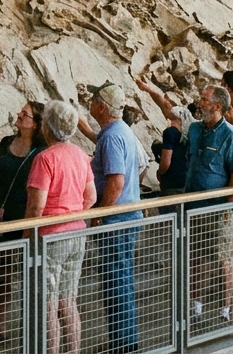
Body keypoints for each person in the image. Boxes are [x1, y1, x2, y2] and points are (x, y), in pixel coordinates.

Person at [25, 101, 96, 354]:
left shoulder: (45, 158)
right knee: (68, 301)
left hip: (51, 237)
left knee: (48, 303)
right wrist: (74, 215)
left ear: (46, 127)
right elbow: (91, 197)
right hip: (76, 232)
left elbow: (36, 207)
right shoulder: (79, 154)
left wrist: (26, 237)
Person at [0, 101, 42, 343]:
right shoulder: (6, 143)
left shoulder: (41, 150)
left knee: (29, 272)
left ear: (36, 124)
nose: (19, 115)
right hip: (0, 216)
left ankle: (30, 325)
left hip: (26, 217)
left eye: (25, 115)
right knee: (1, 273)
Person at [86, 83, 144, 351]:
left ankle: (124, 344)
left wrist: (100, 213)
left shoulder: (110, 137)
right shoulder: (122, 131)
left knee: (116, 280)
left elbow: (116, 182)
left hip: (117, 218)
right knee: (120, 278)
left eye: (93, 99)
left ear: (101, 106)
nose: (90, 103)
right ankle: (124, 340)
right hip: (128, 213)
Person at [184, 83, 233, 324]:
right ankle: (196, 305)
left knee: (222, 257)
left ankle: (225, 309)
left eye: (205, 100)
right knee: (197, 256)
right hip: (195, 204)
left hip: (219, 207)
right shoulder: (196, 130)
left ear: (218, 106)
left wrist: (228, 207)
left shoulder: (231, 135)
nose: (200, 103)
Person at [134, 77, 189, 198]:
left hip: (172, 184)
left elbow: (165, 162)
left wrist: (160, 173)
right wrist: (147, 89)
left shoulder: (170, 132)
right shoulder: (190, 130)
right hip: (186, 182)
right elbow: (163, 103)